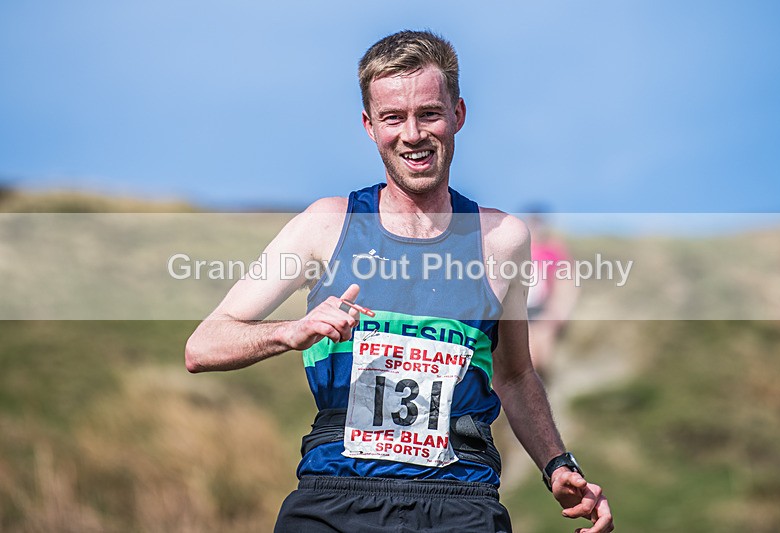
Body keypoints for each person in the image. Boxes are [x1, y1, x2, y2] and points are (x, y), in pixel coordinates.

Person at [185, 30, 613, 533]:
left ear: (458, 114)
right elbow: (203, 345)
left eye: (429, 113)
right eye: (393, 117)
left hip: (461, 503)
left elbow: (515, 376)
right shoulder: (326, 225)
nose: (413, 134)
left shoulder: (502, 239)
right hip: (335, 497)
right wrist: (289, 331)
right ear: (370, 126)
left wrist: (558, 464)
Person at [526, 210, 580, 383]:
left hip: (543, 309)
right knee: (530, 359)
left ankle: (544, 391)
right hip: (520, 309)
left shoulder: (552, 250)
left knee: (543, 359)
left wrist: (560, 311)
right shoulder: (517, 248)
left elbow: (567, 282)